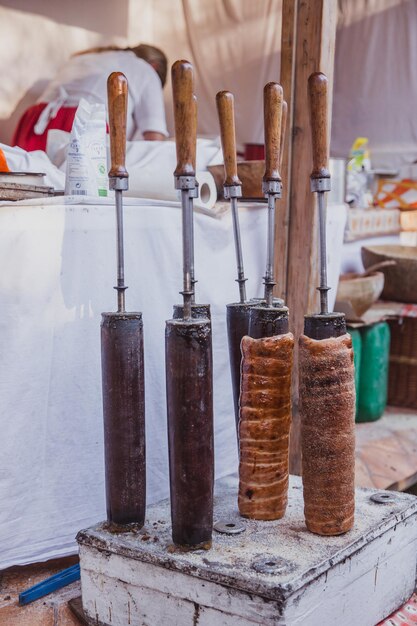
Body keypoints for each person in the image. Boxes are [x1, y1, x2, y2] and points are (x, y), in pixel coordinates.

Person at [12, 44, 169, 152]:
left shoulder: (86, 57)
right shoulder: (147, 71)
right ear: (154, 66)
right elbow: (153, 140)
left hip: (35, 122)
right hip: (84, 124)